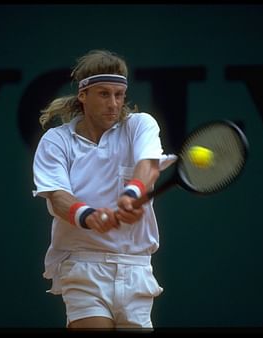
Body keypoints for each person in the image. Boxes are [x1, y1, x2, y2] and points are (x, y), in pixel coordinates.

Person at [32, 49, 176, 329]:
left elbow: (148, 166)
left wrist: (132, 193)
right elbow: (57, 196)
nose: (114, 103)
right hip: (84, 265)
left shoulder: (140, 125)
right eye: (104, 94)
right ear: (83, 95)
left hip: (136, 268)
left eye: (119, 94)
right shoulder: (56, 141)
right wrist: (88, 216)